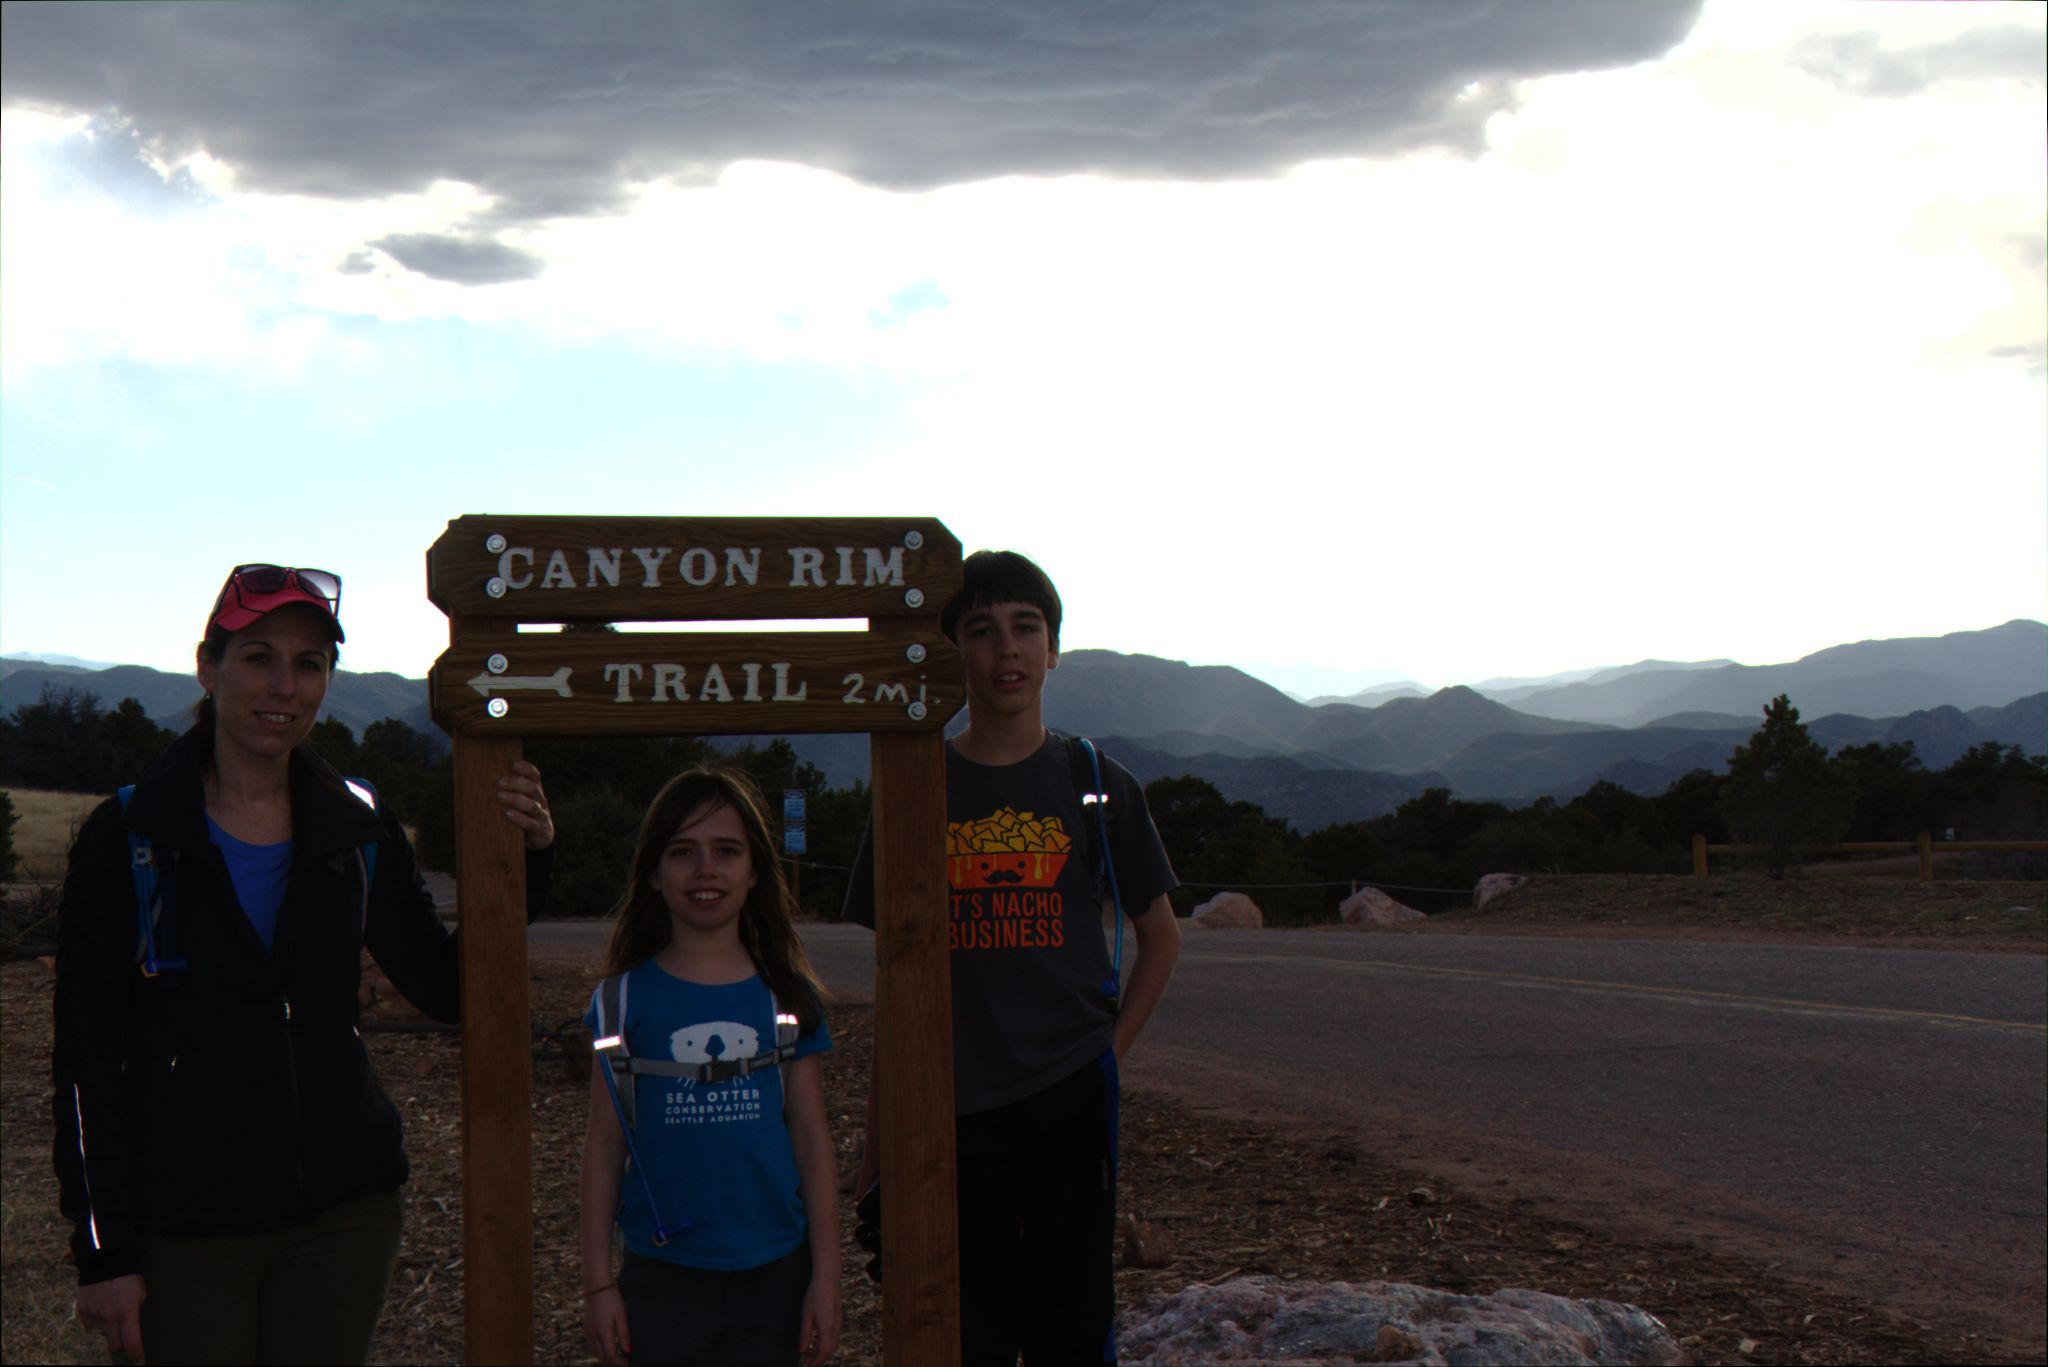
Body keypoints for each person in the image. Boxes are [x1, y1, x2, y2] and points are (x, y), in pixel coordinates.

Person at [52, 562, 557, 1366]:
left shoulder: (356, 825)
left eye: (309, 664)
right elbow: (86, 1061)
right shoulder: (131, 836)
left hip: (342, 1215)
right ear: (207, 666)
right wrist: (105, 1252)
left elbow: (448, 984)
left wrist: (521, 869)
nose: (282, 686)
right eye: (257, 656)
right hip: (188, 1224)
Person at [843, 549, 1184, 1366]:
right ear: (954, 649)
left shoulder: (1096, 781)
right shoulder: (915, 783)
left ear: (1054, 648)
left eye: (1026, 628)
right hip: (951, 1106)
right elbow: (897, 978)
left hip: (1071, 1097)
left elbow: (1163, 938)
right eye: (982, 631)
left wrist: (1108, 1051)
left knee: (1071, 1324)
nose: (1007, 650)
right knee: (968, 1330)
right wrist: (878, 1137)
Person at [580, 767, 840, 1367]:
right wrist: (598, 1285)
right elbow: (602, 1148)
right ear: (651, 871)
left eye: (726, 851)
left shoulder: (788, 997)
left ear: (754, 872)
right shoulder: (621, 1001)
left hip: (776, 1275)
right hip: (662, 1277)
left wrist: (825, 1278)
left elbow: (813, 1144)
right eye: (682, 852)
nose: (706, 870)